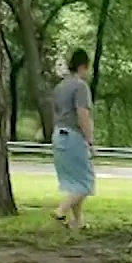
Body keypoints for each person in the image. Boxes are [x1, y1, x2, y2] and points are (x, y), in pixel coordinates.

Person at [50, 49, 96, 228]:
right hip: (73, 136)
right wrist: (90, 140)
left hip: (58, 134)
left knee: (74, 181)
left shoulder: (60, 86)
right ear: (83, 66)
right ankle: (61, 210)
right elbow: (82, 114)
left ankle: (77, 221)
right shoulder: (81, 86)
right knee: (86, 182)